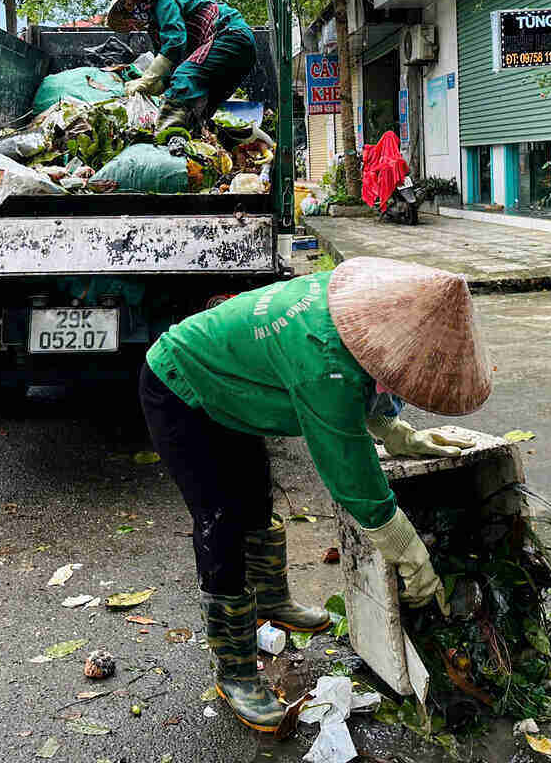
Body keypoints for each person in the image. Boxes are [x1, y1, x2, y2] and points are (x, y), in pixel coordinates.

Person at [139, 256, 492, 732]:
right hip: (181, 385)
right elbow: (351, 473)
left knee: (255, 497)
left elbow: (366, 384)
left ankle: (272, 602)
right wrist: (408, 550)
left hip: (237, 387)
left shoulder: (359, 304)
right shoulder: (322, 361)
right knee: (221, 519)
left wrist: (401, 434)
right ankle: (236, 672)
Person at [105, 0, 257, 137]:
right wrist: (153, 87)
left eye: (130, 5)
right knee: (201, 107)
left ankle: (166, 138)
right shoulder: (156, 28)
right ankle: (203, 141)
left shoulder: (165, 1)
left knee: (185, 78)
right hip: (237, 54)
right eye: (127, 9)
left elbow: (175, 44)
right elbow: (169, 65)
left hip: (230, 35)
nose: (132, 13)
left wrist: (146, 79)